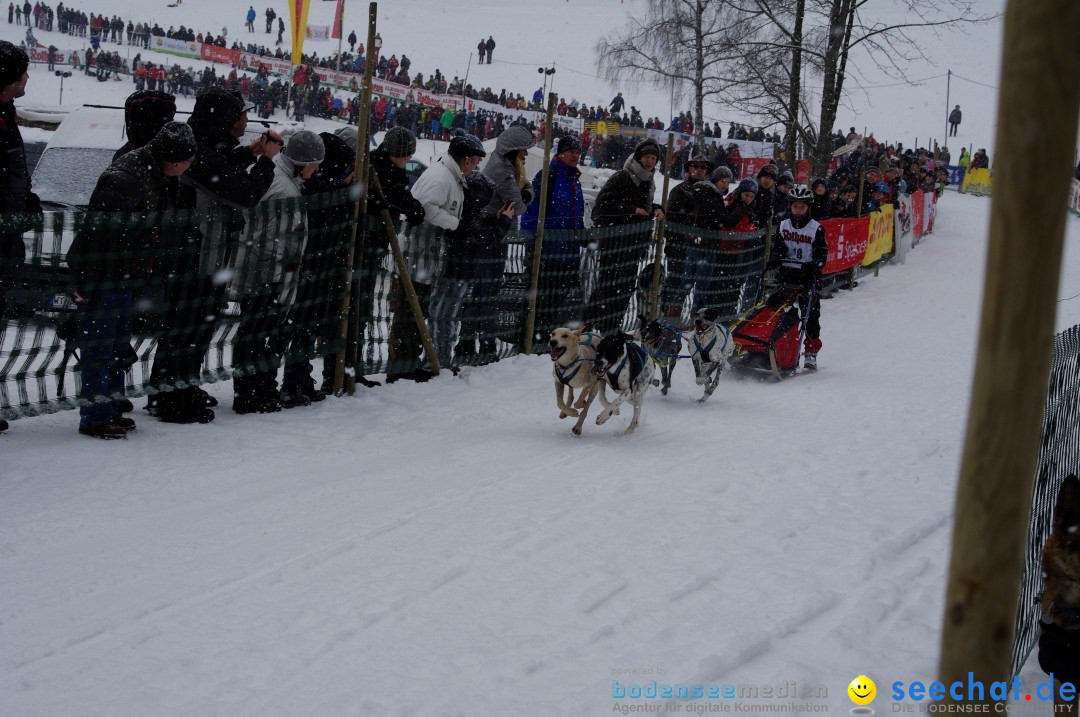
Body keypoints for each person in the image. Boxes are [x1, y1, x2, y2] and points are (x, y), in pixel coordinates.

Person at [146, 88, 281, 423]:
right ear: (225, 119)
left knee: (195, 323)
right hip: (196, 253)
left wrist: (249, 155)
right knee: (188, 324)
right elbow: (241, 193)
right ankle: (172, 397)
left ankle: (178, 387)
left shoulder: (205, 143)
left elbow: (221, 170)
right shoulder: (196, 149)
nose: (246, 121)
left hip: (204, 250)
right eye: (241, 115)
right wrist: (265, 161)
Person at [66, 123, 197, 438]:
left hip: (127, 274)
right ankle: (96, 415)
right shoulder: (128, 178)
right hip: (107, 276)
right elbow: (96, 234)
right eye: (189, 160)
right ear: (176, 160)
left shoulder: (155, 174)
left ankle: (110, 406)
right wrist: (85, 281)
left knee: (116, 345)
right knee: (101, 346)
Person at [230, 130, 324, 413]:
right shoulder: (283, 189)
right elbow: (273, 242)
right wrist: (282, 277)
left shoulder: (287, 181)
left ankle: (258, 390)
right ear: (300, 163)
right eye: (314, 164)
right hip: (267, 277)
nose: (317, 170)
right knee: (256, 336)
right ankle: (250, 394)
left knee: (256, 335)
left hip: (267, 275)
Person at [387, 133, 485, 382]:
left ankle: (409, 365)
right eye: (474, 161)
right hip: (416, 256)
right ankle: (400, 369)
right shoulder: (440, 177)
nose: (475, 167)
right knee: (408, 315)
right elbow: (424, 208)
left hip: (425, 259)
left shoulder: (451, 176)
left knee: (416, 313)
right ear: (465, 160)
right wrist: (455, 224)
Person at [334, 125, 424, 389]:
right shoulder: (374, 167)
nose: (408, 160)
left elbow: (398, 195)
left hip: (371, 248)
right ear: (395, 152)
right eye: (406, 155)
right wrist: (399, 206)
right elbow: (386, 196)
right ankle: (344, 372)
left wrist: (409, 207)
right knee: (353, 311)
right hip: (358, 247)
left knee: (360, 312)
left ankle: (353, 369)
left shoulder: (390, 167)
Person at [428, 171, 515, 370]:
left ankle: (438, 360)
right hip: (456, 271)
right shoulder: (467, 212)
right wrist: (504, 221)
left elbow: (480, 228)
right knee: (445, 318)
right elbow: (487, 239)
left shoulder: (465, 210)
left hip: (454, 270)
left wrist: (496, 217)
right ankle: (439, 361)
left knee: (443, 316)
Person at [0, 41, 39, 435]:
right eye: (22, 72)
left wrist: (25, 201)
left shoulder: (6, 114)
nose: (27, 77)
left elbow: (12, 173)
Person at [586, 137, 664, 335]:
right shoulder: (623, 176)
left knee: (625, 288)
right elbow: (601, 206)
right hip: (615, 243)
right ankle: (592, 326)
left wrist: (656, 209)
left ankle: (613, 327)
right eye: (646, 156)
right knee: (608, 286)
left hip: (634, 245)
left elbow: (642, 208)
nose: (649, 161)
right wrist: (631, 210)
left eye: (653, 158)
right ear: (638, 157)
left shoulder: (649, 181)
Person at [521, 134, 586, 343]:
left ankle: (546, 338)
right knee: (539, 300)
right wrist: (531, 238)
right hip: (547, 251)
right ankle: (531, 339)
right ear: (561, 153)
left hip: (568, 254)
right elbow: (532, 209)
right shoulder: (547, 176)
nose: (575, 155)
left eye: (578, 152)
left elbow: (578, 216)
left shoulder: (574, 180)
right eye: (571, 151)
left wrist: (582, 236)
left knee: (557, 300)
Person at [769, 185, 827, 369]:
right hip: (786, 274)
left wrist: (815, 264)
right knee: (773, 310)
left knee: (810, 315)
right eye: (795, 207)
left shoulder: (816, 228)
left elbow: (822, 254)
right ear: (790, 207)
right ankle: (770, 345)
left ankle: (810, 352)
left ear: (808, 207)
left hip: (807, 276)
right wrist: (775, 257)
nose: (799, 211)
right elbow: (777, 247)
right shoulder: (783, 225)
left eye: (802, 207)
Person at [663, 153, 727, 319]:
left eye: (703, 167)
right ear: (689, 168)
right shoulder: (680, 190)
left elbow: (716, 219)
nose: (699, 169)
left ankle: (694, 321)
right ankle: (668, 320)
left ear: (707, 171)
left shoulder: (712, 192)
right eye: (696, 166)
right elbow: (672, 219)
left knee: (700, 287)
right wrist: (687, 233)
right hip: (679, 247)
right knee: (676, 285)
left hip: (702, 246)